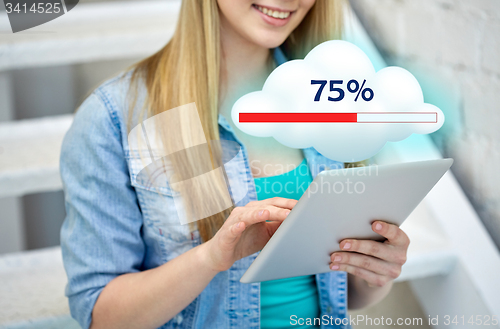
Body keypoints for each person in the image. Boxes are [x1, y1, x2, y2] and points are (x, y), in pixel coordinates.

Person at [60, 0, 410, 328]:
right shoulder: (114, 118)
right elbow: (101, 315)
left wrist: (373, 273)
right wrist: (210, 258)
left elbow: (345, 293)